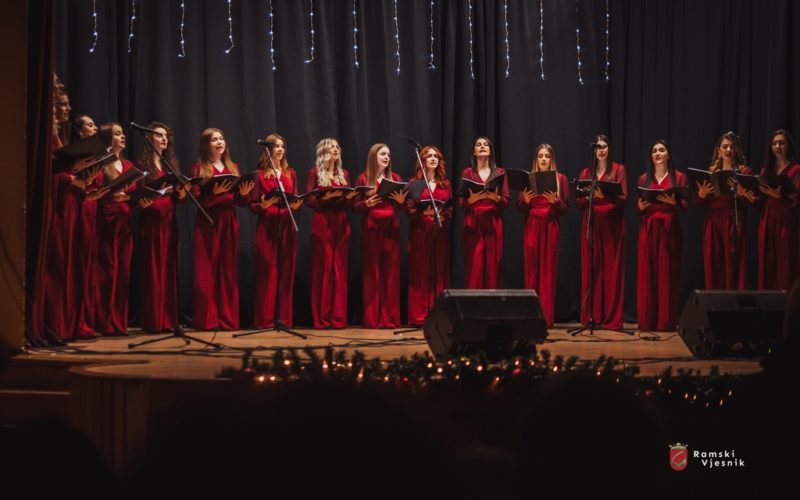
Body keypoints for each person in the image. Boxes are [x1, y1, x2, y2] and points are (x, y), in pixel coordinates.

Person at [191, 128, 254, 331]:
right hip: (208, 223)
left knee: (227, 272)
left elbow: (240, 201)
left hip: (228, 221)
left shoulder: (232, 166)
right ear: (206, 144)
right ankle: (206, 320)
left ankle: (227, 319)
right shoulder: (200, 167)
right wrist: (214, 194)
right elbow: (196, 199)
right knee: (206, 271)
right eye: (214, 139)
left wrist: (244, 194)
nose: (219, 142)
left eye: (221, 138)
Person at [135, 122, 187, 332]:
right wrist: (143, 202)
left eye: (166, 136)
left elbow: (176, 197)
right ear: (149, 139)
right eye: (159, 135)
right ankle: (154, 320)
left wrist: (182, 194)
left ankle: (168, 319)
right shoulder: (143, 164)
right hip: (152, 222)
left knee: (169, 270)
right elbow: (139, 195)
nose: (164, 139)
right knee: (154, 270)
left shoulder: (169, 164)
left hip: (169, 220)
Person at [250, 134, 303, 329]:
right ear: (268, 150)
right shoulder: (260, 174)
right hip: (268, 227)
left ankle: (284, 319)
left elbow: (295, 199)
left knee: (286, 273)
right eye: (275, 146)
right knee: (267, 274)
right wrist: (264, 203)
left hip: (287, 224)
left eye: (282, 146)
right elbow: (253, 206)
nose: (280, 149)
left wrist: (297, 205)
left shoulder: (291, 173)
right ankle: (265, 320)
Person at [575, 135, 627, 329]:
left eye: (604, 146)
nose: (601, 150)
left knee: (612, 271)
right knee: (592, 270)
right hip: (591, 225)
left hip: (612, 227)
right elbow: (579, 202)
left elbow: (622, 199)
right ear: (593, 151)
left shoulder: (618, 170)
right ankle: (592, 315)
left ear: (609, 149)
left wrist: (602, 196)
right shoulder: (586, 172)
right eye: (597, 147)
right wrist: (591, 196)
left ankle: (612, 319)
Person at [636, 140, 688, 331]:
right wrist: (640, 207)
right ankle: (647, 321)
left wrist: (673, 203)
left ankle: (665, 322)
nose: (657, 153)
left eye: (661, 150)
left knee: (667, 274)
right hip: (648, 227)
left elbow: (685, 206)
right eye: (654, 151)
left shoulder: (679, 177)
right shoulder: (644, 178)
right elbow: (639, 205)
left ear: (668, 155)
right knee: (647, 274)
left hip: (669, 227)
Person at [354, 143, 406, 328]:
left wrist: (401, 202)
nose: (386, 157)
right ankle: (373, 318)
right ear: (374, 156)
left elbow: (401, 205)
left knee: (391, 273)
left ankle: (389, 318)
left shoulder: (396, 177)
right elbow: (356, 206)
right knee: (372, 272)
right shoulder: (363, 177)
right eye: (383, 154)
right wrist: (366, 203)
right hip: (372, 227)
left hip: (392, 227)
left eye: (389, 155)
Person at [695, 131, 754, 290]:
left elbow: (754, 201)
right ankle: (715, 305)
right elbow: (700, 202)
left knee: (734, 263)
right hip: (713, 222)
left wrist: (742, 193)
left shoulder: (744, 171)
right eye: (725, 146)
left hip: (734, 220)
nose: (728, 150)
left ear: (736, 150)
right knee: (714, 262)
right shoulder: (712, 172)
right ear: (719, 151)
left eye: (731, 147)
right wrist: (701, 195)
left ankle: (734, 305)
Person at [518, 143, 569, 328]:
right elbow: (520, 208)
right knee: (532, 270)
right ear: (536, 159)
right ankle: (531, 317)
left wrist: (555, 202)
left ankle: (546, 317)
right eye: (540, 156)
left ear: (551, 159)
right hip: (532, 225)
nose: (544, 159)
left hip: (550, 226)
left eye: (547, 156)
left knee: (548, 271)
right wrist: (525, 201)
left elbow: (565, 208)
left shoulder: (560, 178)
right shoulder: (529, 178)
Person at [305, 138, 354, 329]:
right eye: (332, 146)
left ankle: (338, 317)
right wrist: (326, 198)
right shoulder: (314, 172)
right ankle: (322, 318)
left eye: (337, 146)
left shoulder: (345, 173)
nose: (336, 149)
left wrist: (348, 198)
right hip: (322, 222)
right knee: (323, 269)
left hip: (341, 222)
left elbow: (348, 202)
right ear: (324, 151)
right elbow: (309, 200)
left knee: (339, 270)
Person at [94, 123, 135, 335]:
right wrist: (111, 194)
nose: (122, 136)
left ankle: (119, 322)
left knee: (123, 274)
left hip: (125, 222)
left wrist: (131, 197)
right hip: (108, 221)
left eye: (122, 133)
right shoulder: (102, 163)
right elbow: (96, 192)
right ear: (107, 139)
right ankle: (104, 322)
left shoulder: (128, 164)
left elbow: (134, 192)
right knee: (108, 272)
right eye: (117, 134)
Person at [405, 146, 452, 326]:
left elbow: (450, 209)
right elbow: (409, 209)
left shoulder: (445, 184)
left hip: (439, 232)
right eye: (429, 156)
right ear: (422, 160)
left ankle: (438, 314)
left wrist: (443, 215)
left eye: (436, 156)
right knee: (420, 273)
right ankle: (419, 316)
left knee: (438, 272)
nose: (433, 158)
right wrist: (421, 214)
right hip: (419, 232)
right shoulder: (414, 183)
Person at [460, 136, 509, 288]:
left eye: (486, 145)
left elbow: (506, 201)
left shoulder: (500, 172)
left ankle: (491, 306)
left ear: (490, 151)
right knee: (474, 265)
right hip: (473, 223)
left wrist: (496, 198)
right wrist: (471, 200)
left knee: (493, 265)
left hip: (493, 223)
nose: (482, 146)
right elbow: (460, 202)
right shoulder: (467, 173)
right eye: (478, 145)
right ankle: (472, 307)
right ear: (474, 152)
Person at [757, 129, 800, 290]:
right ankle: (768, 307)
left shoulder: (795, 170)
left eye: (781, 143)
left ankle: (787, 305)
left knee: (785, 262)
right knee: (766, 262)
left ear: (788, 146)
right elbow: (759, 199)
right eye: (774, 143)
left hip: (785, 219)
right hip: (767, 218)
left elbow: (794, 200)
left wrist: (775, 195)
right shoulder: (765, 171)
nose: (777, 146)